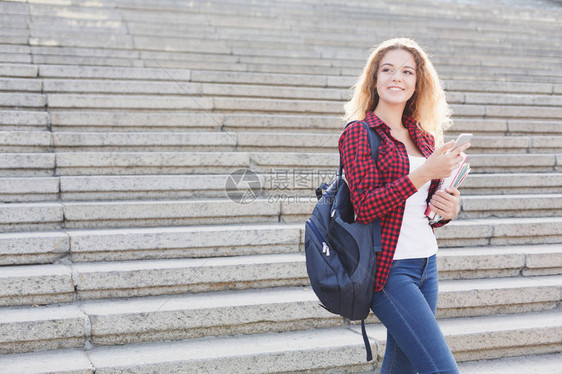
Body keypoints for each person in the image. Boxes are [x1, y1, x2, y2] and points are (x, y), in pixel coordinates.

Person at [338, 37, 471, 374]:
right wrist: (426, 172)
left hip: (427, 264)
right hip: (389, 270)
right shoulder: (359, 133)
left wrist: (447, 210)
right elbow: (365, 205)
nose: (397, 77)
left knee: (402, 366)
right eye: (388, 69)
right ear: (375, 79)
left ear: (417, 83)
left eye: (407, 71)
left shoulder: (424, 138)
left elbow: (423, 211)